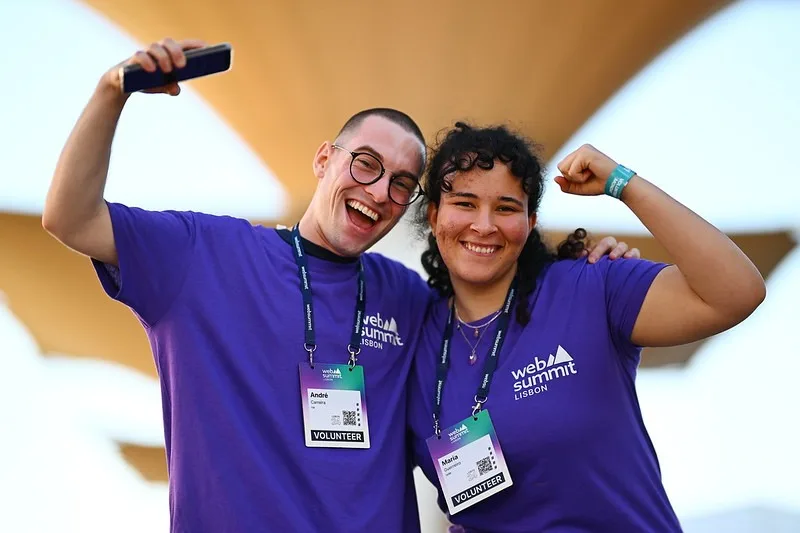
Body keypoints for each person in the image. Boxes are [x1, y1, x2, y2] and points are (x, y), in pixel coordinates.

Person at [42, 39, 636, 532]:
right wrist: (111, 92)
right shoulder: (204, 255)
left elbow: (493, 303)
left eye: (401, 183)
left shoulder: (408, 297)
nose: (379, 191)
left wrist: (577, 269)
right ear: (325, 158)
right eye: (366, 164)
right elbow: (70, 218)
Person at [407, 122, 766, 532]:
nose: (484, 225)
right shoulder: (415, 335)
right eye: (465, 204)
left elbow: (737, 293)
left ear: (530, 222)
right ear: (434, 215)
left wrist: (623, 184)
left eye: (506, 208)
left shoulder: (591, 286)